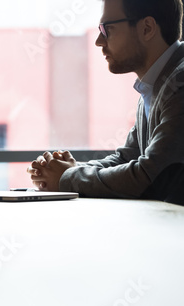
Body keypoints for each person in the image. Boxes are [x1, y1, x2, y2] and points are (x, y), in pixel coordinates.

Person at [27, 0, 184, 205]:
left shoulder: (179, 84)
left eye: (107, 29)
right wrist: (68, 171)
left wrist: (68, 177)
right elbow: (127, 159)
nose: (99, 41)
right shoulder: (157, 83)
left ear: (147, 28)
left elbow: (151, 178)